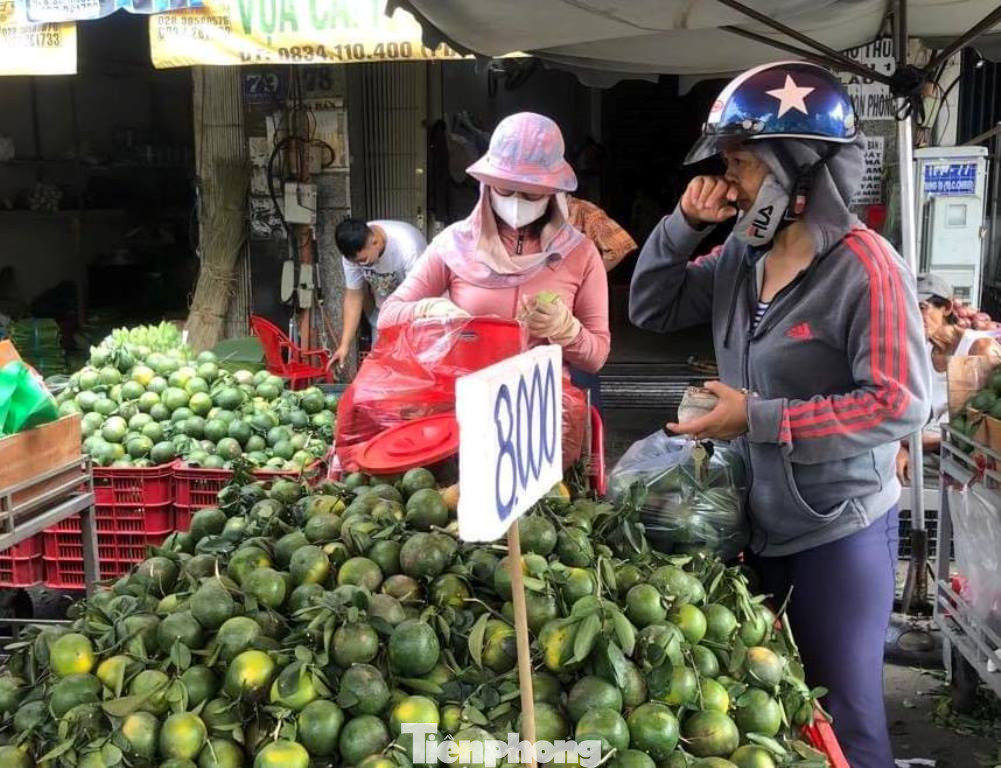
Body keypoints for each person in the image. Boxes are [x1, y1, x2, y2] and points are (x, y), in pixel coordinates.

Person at [629, 61, 930, 768]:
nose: (726, 181)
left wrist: (758, 419)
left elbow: (898, 401)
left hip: (836, 529)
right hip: (757, 520)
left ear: (796, 168)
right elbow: (652, 308)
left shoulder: (865, 268)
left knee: (845, 718)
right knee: (778, 711)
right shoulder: (744, 252)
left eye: (739, 163)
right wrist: (682, 226)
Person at [378, 112, 610, 378]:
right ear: (487, 186)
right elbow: (388, 317)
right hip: (468, 395)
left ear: (552, 192)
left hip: (540, 397)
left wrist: (568, 331)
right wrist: (426, 310)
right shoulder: (454, 244)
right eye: (504, 189)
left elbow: (596, 357)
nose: (516, 201)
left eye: (531, 193)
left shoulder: (579, 253)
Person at [896, 272, 1001, 482]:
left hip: (957, 455)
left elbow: (978, 428)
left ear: (947, 307)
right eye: (908, 308)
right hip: (924, 443)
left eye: (922, 307)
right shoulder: (922, 351)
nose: (913, 316)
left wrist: (908, 446)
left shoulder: (978, 348)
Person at [557, 193, 638, 411]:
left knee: (582, 369)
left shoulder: (581, 210)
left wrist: (590, 276)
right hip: (544, 309)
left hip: (576, 310)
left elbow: (619, 245)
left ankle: (588, 425)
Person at [331, 218, 427, 368]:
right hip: (385, 313)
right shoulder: (354, 254)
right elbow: (354, 296)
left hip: (419, 312)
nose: (360, 265)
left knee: (412, 366)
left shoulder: (408, 247)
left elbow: (419, 299)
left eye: (363, 260)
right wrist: (344, 345)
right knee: (381, 366)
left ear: (375, 242)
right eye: (356, 262)